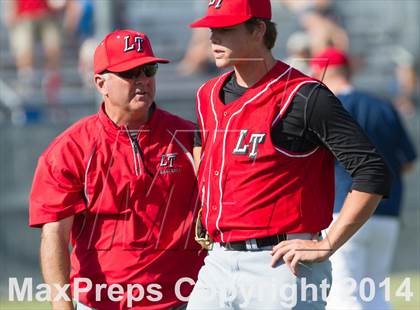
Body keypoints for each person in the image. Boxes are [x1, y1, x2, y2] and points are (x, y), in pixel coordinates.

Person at [187, 0, 391, 309]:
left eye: (225, 30)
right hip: (219, 260)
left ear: (258, 30)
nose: (213, 39)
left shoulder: (304, 95)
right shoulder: (207, 95)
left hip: (282, 263)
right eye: (212, 29)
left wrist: (328, 243)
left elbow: (372, 171)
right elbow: (203, 149)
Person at [29, 29, 205, 310]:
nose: (143, 81)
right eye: (130, 73)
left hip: (182, 298)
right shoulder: (70, 148)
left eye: (149, 69)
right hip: (102, 302)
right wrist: (61, 303)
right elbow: (54, 234)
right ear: (101, 83)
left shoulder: (188, 136)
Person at [310, 47, 417, 310]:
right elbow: (409, 162)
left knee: (343, 293)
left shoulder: (327, 106)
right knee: (375, 293)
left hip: (343, 210)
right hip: (387, 212)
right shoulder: (383, 106)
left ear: (320, 72)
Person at [3, 0, 62, 103]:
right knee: (24, 48)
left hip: (46, 16)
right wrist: (10, 12)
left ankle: (51, 81)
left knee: (53, 47)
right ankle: (27, 81)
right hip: (24, 17)